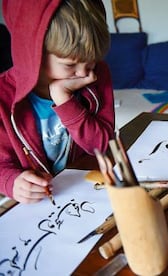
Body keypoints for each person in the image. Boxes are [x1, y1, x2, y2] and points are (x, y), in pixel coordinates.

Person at [0, 0, 114, 203]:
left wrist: (64, 99)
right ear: (32, 53)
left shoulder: (98, 74)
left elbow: (103, 145)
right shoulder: (3, 98)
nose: (84, 73)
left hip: (88, 195)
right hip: (38, 207)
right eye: (70, 64)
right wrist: (11, 181)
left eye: (91, 60)